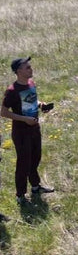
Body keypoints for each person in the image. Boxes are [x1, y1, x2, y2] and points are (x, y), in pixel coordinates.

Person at [1, 57, 54, 205]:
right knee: (23, 163)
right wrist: (24, 119)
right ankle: (20, 195)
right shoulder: (12, 91)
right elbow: (4, 112)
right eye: (27, 67)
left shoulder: (31, 84)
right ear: (18, 71)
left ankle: (36, 187)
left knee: (35, 158)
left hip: (34, 128)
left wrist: (41, 104)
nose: (31, 69)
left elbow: (31, 100)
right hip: (21, 132)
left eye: (30, 67)